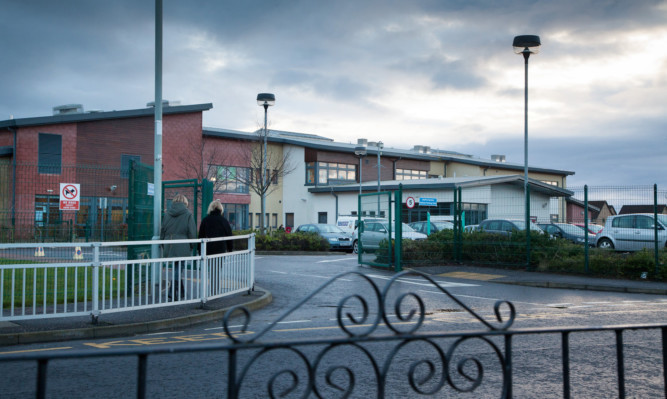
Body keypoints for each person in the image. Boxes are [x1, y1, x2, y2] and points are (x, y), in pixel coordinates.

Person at [160, 194, 196, 299]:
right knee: (179, 268)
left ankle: (181, 292)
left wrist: (163, 244)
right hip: (182, 244)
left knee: (176, 268)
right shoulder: (188, 214)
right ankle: (172, 291)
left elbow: (163, 230)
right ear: (185, 203)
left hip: (169, 243)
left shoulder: (167, 214)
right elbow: (192, 233)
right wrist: (191, 245)